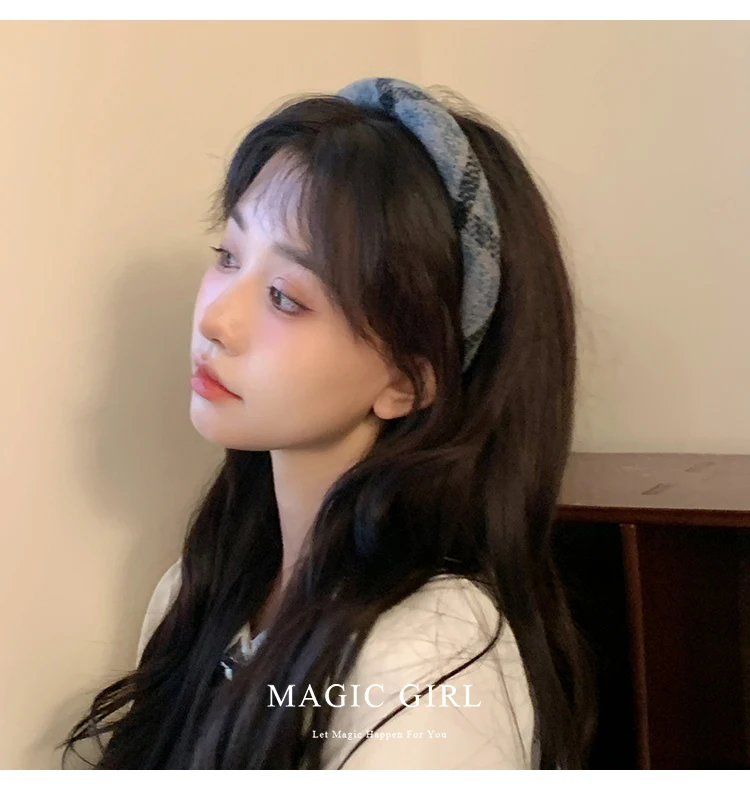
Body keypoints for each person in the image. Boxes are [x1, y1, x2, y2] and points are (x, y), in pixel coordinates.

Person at [59, 76, 597, 770]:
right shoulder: (197, 592)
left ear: (408, 380)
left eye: (285, 296)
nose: (216, 319)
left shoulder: (430, 657)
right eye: (228, 257)